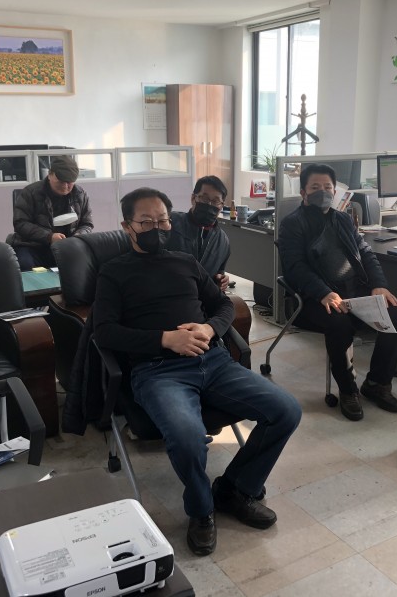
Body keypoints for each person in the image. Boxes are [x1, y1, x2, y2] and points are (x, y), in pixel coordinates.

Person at [93, 187, 301, 557]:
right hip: (158, 372)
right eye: (146, 222)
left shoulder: (186, 262)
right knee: (188, 438)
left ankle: (235, 489)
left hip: (212, 361)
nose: (157, 228)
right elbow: (105, 332)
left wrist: (209, 328)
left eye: (162, 220)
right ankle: (202, 510)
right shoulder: (113, 272)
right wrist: (165, 339)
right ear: (127, 226)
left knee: (286, 410)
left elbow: (223, 305)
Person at [278, 163, 397, 422]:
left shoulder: (343, 219)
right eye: (315, 187)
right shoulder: (292, 224)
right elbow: (295, 268)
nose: (323, 192)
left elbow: (366, 253)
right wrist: (324, 292)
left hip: (355, 292)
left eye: (328, 187)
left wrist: (379, 284)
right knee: (339, 323)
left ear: (335, 190)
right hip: (314, 298)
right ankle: (348, 390)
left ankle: (377, 384)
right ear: (303, 192)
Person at [11, 155, 93, 270]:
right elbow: (20, 223)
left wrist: (79, 235)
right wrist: (49, 237)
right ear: (50, 175)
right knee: (25, 264)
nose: (65, 186)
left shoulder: (80, 194)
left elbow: (87, 224)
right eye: (61, 181)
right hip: (33, 246)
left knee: (85, 263)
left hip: (67, 246)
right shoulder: (30, 193)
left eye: (69, 182)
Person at [166, 175, 231, 291]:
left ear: (221, 206)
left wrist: (221, 280)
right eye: (204, 198)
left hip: (202, 299)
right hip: (169, 294)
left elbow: (219, 273)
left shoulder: (223, 241)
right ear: (193, 198)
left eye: (215, 201)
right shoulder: (170, 223)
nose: (209, 204)